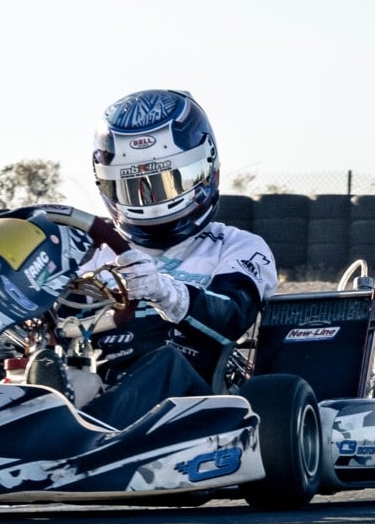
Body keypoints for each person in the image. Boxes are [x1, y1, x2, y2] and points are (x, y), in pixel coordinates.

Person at [29, 89, 278, 427]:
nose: (151, 201)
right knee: (38, 365)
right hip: (97, 381)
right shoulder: (90, 256)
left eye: (165, 183)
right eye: (134, 187)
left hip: (192, 396)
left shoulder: (236, 246)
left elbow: (231, 315)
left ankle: (76, 443)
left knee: (164, 363)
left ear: (205, 170)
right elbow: (62, 326)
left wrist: (167, 292)